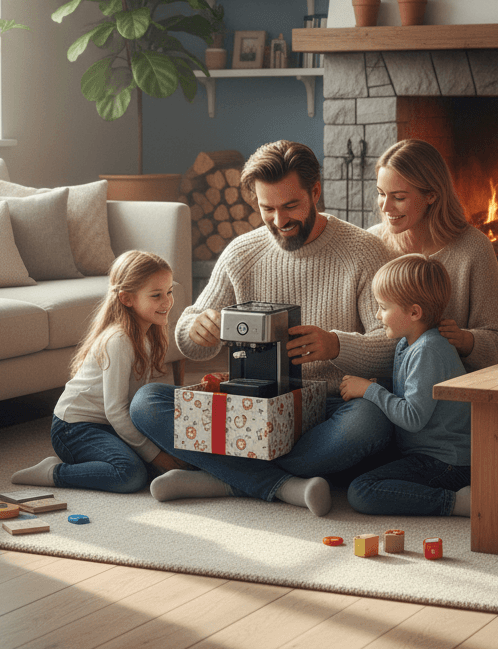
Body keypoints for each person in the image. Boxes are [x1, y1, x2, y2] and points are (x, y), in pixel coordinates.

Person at [128, 139, 396, 515]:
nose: (280, 221)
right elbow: (189, 337)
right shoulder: (242, 252)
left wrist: (336, 345)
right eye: (266, 208)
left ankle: (223, 476)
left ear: (315, 192)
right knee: (145, 402)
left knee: (372, 423)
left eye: (290, 206)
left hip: (333, 408)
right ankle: (280, 484)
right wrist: (196, 328)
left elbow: (392, 348)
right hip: (250, 407)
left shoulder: (364, 250)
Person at [11, 250, 189, 492]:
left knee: (158, 459)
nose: (167, 302)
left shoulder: (148, 335)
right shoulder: (119, 340)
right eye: (156, 295)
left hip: (109, 425)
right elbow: (116, 411)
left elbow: (138, 403)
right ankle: (53, 472)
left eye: (169, 291)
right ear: (127, 299)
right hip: (74, 428)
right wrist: (156, 456)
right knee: (129, 474)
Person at [340, 253, 472, 517]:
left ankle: (457, 503)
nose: (378, 315)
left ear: (414, 312)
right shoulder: (408, 343)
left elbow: (412, 418)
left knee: (361, 490)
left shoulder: (428, 350)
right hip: (423, 454)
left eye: (383, 307)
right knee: (349, 469)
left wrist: (370, 390)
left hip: (445, 462)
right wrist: (381, 386)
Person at [370, 138, 498, 370]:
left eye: (398, 197)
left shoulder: (473, 248)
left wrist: (465, 340)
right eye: (381, 193)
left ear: (432, 195)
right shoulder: (373, 243)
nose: (385, 208)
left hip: (456, 387)